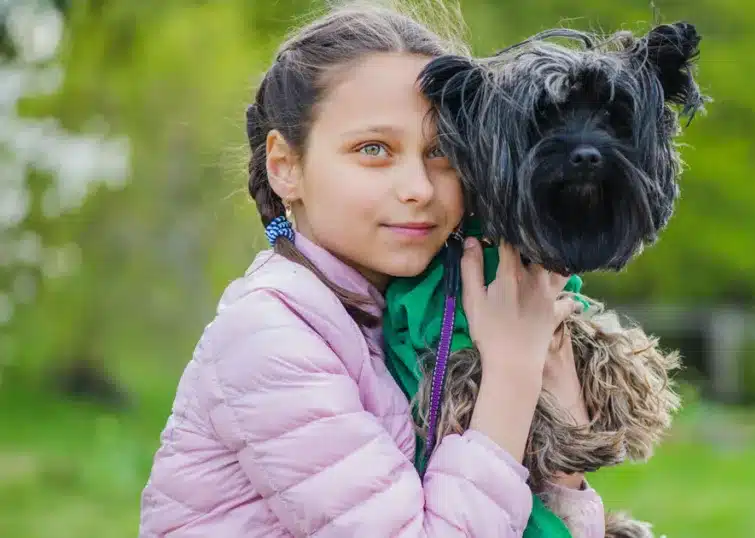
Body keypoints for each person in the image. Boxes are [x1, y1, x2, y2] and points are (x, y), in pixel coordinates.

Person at [138, 2, 605, 537]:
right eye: (374, 149)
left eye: (443, 154)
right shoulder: (271, 338)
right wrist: (513, 371)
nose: (419, 188)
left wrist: (564, 450)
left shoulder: (413, 315)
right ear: (286, 167)